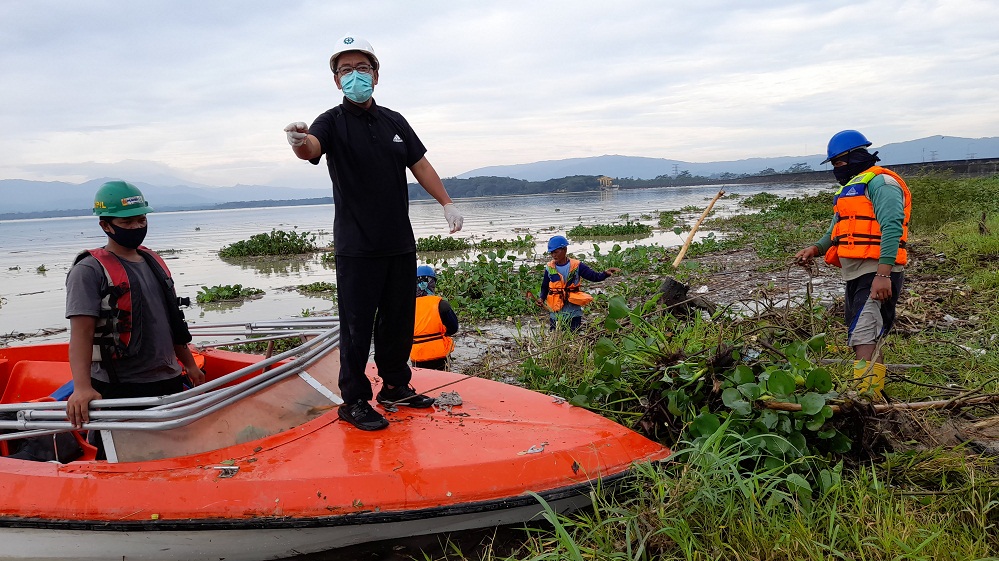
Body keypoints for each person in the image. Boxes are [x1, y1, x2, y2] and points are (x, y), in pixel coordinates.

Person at [284, 35, 464, 431]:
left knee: (398, 321)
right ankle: (354, 400)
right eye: (345, 70)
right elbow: (312, 148)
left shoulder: (394, 121)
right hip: (356, 246)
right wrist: (298, 141)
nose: (354, 76)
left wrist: (447, 203)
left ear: (376, 75)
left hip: (399, 242)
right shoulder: (331, 121)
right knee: (356, 326)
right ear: (336, 81)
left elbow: (420, 165)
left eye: (361, 68)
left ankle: (396, 386)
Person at [65, 181, 205, 439]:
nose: (136, 228)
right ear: (105, 225)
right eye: (126, 223)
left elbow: (171, 321)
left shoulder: (153, 262)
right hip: (120, 386)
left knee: (176, 448)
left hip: (168, 379)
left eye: (141, 220)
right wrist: (82, 387)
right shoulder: (88, 271)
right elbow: (81, 334)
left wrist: (189, 365)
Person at [794, 130, 911, 397]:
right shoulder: (850, 189)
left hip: (878, 270)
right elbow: (835, 231)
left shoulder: (882, 184)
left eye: (838, 163)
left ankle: (867, 399)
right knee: (863, 329)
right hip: (855, 271)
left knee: (864, 332)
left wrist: (884, 274)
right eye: (834, 164)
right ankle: (871, 390)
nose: (836, 169)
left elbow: (892, 227)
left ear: (855, 157)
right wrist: (815, 248)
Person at [538, 235, 620, 331]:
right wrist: (541, 298)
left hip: (573, 311)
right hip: (556, 311)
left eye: (556, 252)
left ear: (564, 250)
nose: (553, 255)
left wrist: (605, 274)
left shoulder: (577, 265)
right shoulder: (549, 268)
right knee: (556, 334)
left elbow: (594, 277)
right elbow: (544, 286)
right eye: (551, 253)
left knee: (574, 333)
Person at [411, 265, 459, 371]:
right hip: (440, 355)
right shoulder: (442, 304)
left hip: (417, 356)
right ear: (432, 283)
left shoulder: (407, 307)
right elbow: (453, 328)